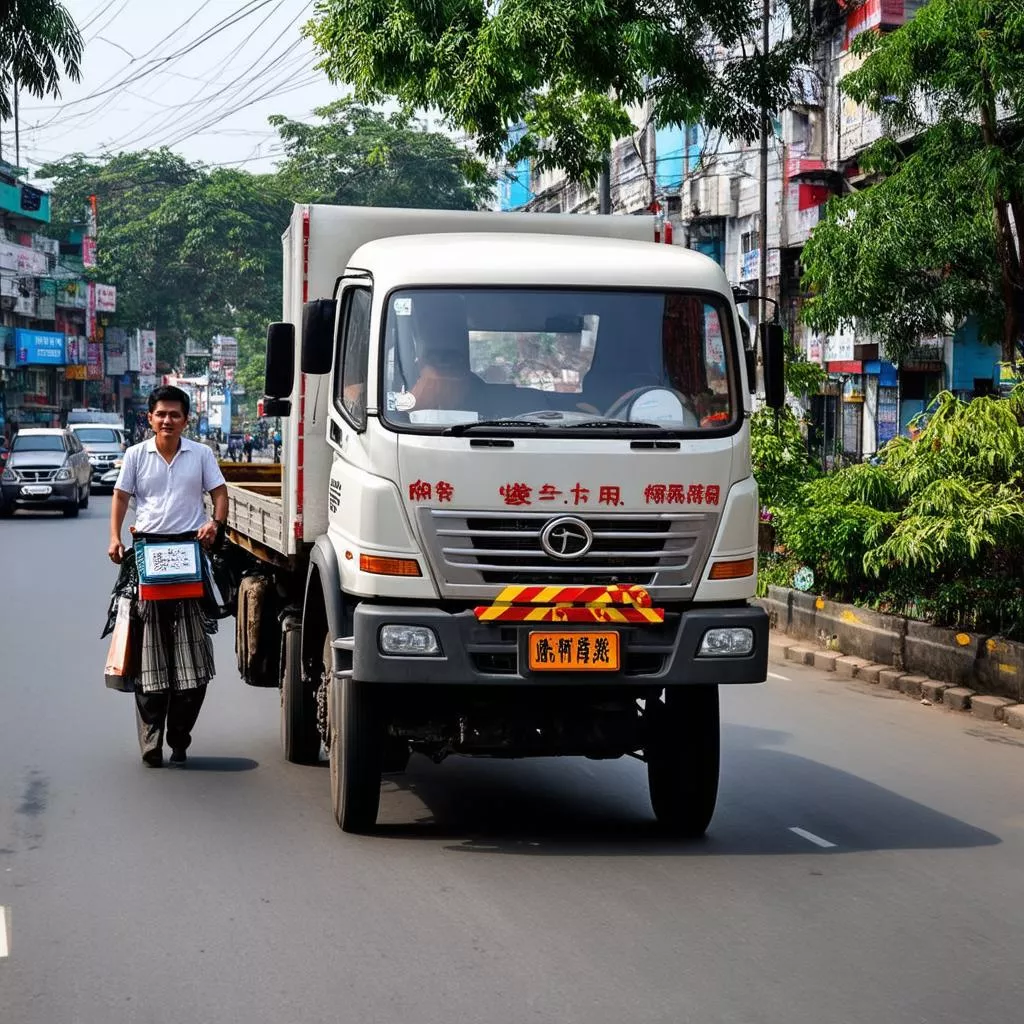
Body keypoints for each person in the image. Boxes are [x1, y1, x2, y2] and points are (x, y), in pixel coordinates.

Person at [108, 385, 228, 768]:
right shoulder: (135, 455)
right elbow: (121, 497)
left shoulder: (201, 454)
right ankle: (151, 741)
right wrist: (114, 537)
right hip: (147, 556)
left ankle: (179, 736)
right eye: (161, 414)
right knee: (149, 659)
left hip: (189, 555)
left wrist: (214, 524)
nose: (167, 420)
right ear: (150, 418)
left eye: (175, 414)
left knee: (195, 662)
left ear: (185, 420)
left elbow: (220, 493)